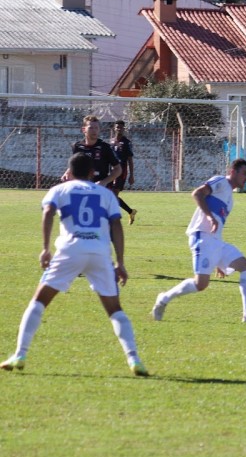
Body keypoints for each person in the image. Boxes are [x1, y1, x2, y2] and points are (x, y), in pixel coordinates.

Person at [1, 154, 148, 376]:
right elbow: (116, 225)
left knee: (39, 302)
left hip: (70, 251)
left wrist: (45, 248)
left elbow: (48, 212)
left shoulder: (59, 190)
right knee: (115, 309)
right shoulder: (105, 194)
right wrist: (120, 261)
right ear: (92, 173)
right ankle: (134, 359)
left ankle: (20, 354)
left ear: (69, 172)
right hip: (99, 252)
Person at [152, 158, 246, 324]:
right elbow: (197, 193)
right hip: (202, 236)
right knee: (200, 284)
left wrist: (217, 261)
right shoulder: (220, 182)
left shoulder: (230, 199)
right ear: (233, 172)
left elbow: (218, 227)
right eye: (244, 173)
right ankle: (164, 298)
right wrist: (209, 217)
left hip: (216, 242)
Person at [62, 115, 121, 188]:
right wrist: (67, 173)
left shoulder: (105, 147)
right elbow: (75, 165)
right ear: (84, 130)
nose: (94, 130)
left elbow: (118, 169)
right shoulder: (77, 147)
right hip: (82, 187)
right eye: (91, 128)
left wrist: (104, 182)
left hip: (100, 188)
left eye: (96, 128)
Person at [109, 120, 138, 225]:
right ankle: (131, 211)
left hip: (121, 172)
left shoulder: (126, 142)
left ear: (124, 129)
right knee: (110, 195)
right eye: (117, 127)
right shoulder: (111, 142)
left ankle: (113, 217)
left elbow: (130, 160)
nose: (119, 129)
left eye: (121, 127)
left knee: (113, 195)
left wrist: (131, 175)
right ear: (114, 128)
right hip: (111, 172)